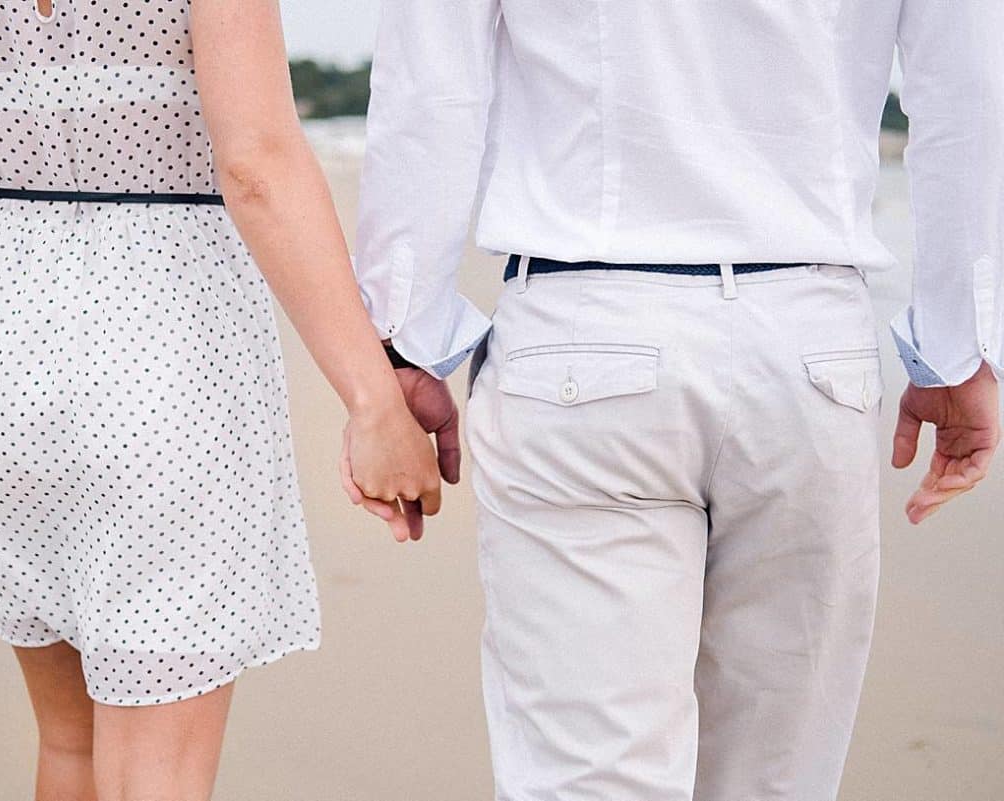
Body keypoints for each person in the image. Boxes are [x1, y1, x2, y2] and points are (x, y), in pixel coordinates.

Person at [353, 0, 1002, 799]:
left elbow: (433, 87)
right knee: (776, 781)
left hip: (582, 337)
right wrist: (956, 347)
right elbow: (964, 90)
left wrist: (404, 341)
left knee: (588, 781)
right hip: (808, 349)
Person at [0, 0, 442, 798]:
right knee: (155, 774)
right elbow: (257, 162)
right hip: (167, 348)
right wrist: (374, 401)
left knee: (69, 747)